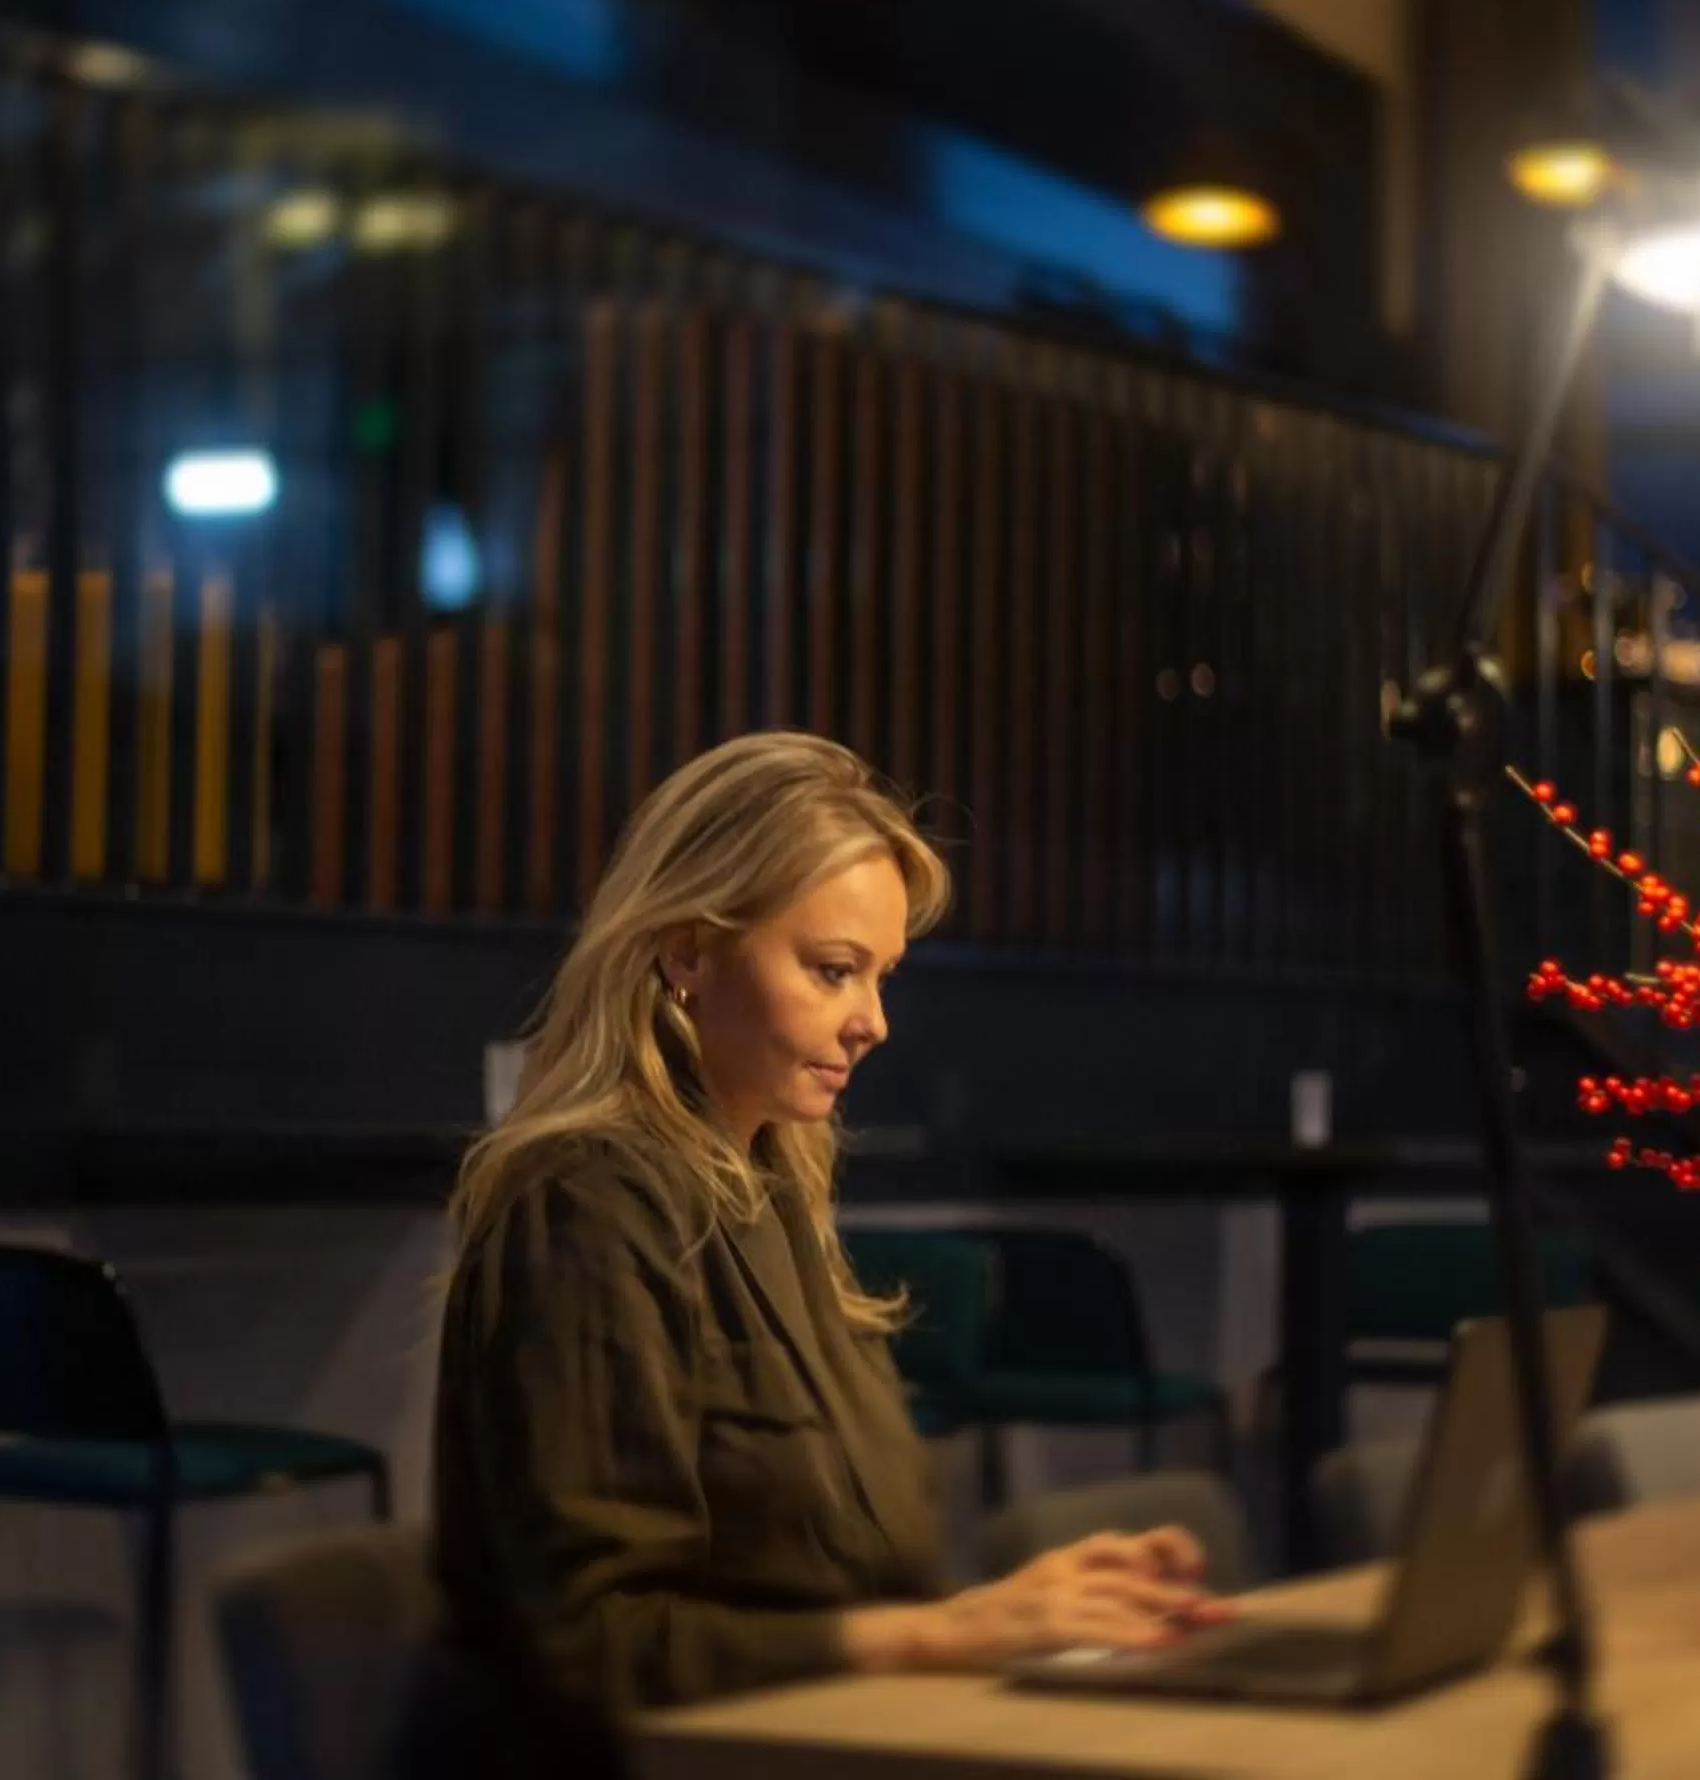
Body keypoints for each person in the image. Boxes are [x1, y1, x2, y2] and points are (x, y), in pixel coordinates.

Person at [429, 733, 1230, 1766]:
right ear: (687, 953)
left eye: (881, 977)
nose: (874, 1022)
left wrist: (1020, 1608)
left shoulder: (769, 1186)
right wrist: (939, 1636)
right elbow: (593, 1647)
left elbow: (835, 1590)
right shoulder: (586, 1202)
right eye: (834, 971)